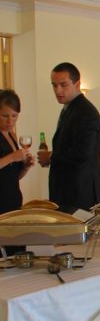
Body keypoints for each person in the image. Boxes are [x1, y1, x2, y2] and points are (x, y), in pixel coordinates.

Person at [37, 62, 100, 212]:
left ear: (77, 84)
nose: (58, 90)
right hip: (68, 190)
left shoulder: (86, 113)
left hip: (78, 192)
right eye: (54, 85)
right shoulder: (70, 108)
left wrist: (51, 157)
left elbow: (83, 153)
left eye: (63, 85)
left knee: (75, 234)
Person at [0, 89, 35, 256]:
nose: (10, 121)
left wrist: (25, 167)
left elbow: (14, 176)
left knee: (18, 249)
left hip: (12, 198)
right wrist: (13, 157)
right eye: (5, 116)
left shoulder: (13, 136)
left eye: (14, 116)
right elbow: (9, 161)